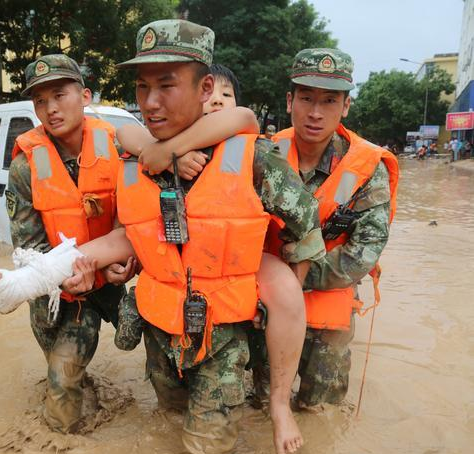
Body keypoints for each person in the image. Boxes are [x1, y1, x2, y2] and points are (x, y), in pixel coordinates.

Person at [137, 48, 400, 411]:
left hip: (323, 293)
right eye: (306, 98)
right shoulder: (259, 150)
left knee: (319, 407)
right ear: (290, 101)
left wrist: (290, 282)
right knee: (259, 399)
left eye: (329, 100)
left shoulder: (369, 167)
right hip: (259, 294)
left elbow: (366, 250)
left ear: (346, 107)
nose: (315, 111)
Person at [115, 62, 313, 454]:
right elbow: (128, 231)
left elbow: (305, 231)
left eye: (167, 86)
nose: (152, 102)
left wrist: (275, 294)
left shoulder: (252, 155)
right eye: (142, 88)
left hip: (224, 329)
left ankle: (278, 405)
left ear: (202, 91)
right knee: (168, 420)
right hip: (160, 329)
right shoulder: (140, 154)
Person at [0, 54, 127, 434]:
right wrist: (67, 279)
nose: (51, 108)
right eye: (40, 101)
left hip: (109, 280)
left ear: (85, 95)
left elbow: (138, 222)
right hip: (56, 291)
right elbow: (29, 247)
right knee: (61, 373)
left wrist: (130, 263)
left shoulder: (120, 149)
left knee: (158, 344)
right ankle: (66, 437)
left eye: (59, 95)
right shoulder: (26, 166)